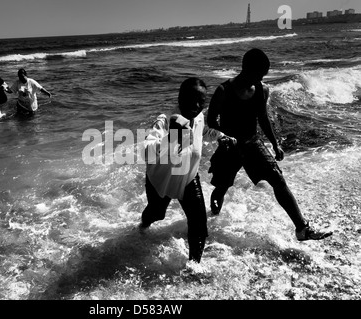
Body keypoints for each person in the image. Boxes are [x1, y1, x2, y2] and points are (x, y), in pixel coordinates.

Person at [206, 48, 333, 242]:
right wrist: (222, 137)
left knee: (278, 180)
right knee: (221, 188)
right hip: (229, 147)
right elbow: (211, 120)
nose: (261, 79)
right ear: (246, 69)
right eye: (259, 74)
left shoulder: (262, 89)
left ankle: (302, 228)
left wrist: (275, 144)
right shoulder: (224, 91)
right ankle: (212, 221)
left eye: (263, 75)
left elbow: (263, 118)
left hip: (252, 144)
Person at [139, 77, 223, 263]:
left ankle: (194, 266)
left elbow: (204, 131)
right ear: (179, 97)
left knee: (199, 225)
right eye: (191, 99)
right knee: (157, 214)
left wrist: (221, 136)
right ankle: (142, 226)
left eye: (201, 101)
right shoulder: (165, 120)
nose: (196, 105)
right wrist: (171, 136)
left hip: (188, 176)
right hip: (162, 178)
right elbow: (146, 151)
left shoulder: (198, 117)